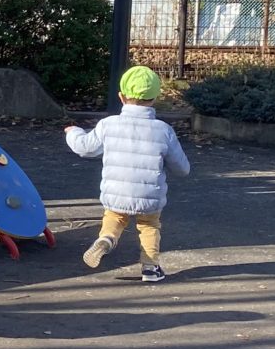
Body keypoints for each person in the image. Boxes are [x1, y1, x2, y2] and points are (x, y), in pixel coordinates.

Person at [64, 65, 191, 284]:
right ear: (155, 98)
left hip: (116, 192)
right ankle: (150, 268)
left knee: (114, 217)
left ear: (121, 97)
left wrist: (73, 132)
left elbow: (85, 148)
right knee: (149, 226)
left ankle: (106, 239)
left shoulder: (108, 124)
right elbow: (182, 168)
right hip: (149, 195)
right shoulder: (163, 130)